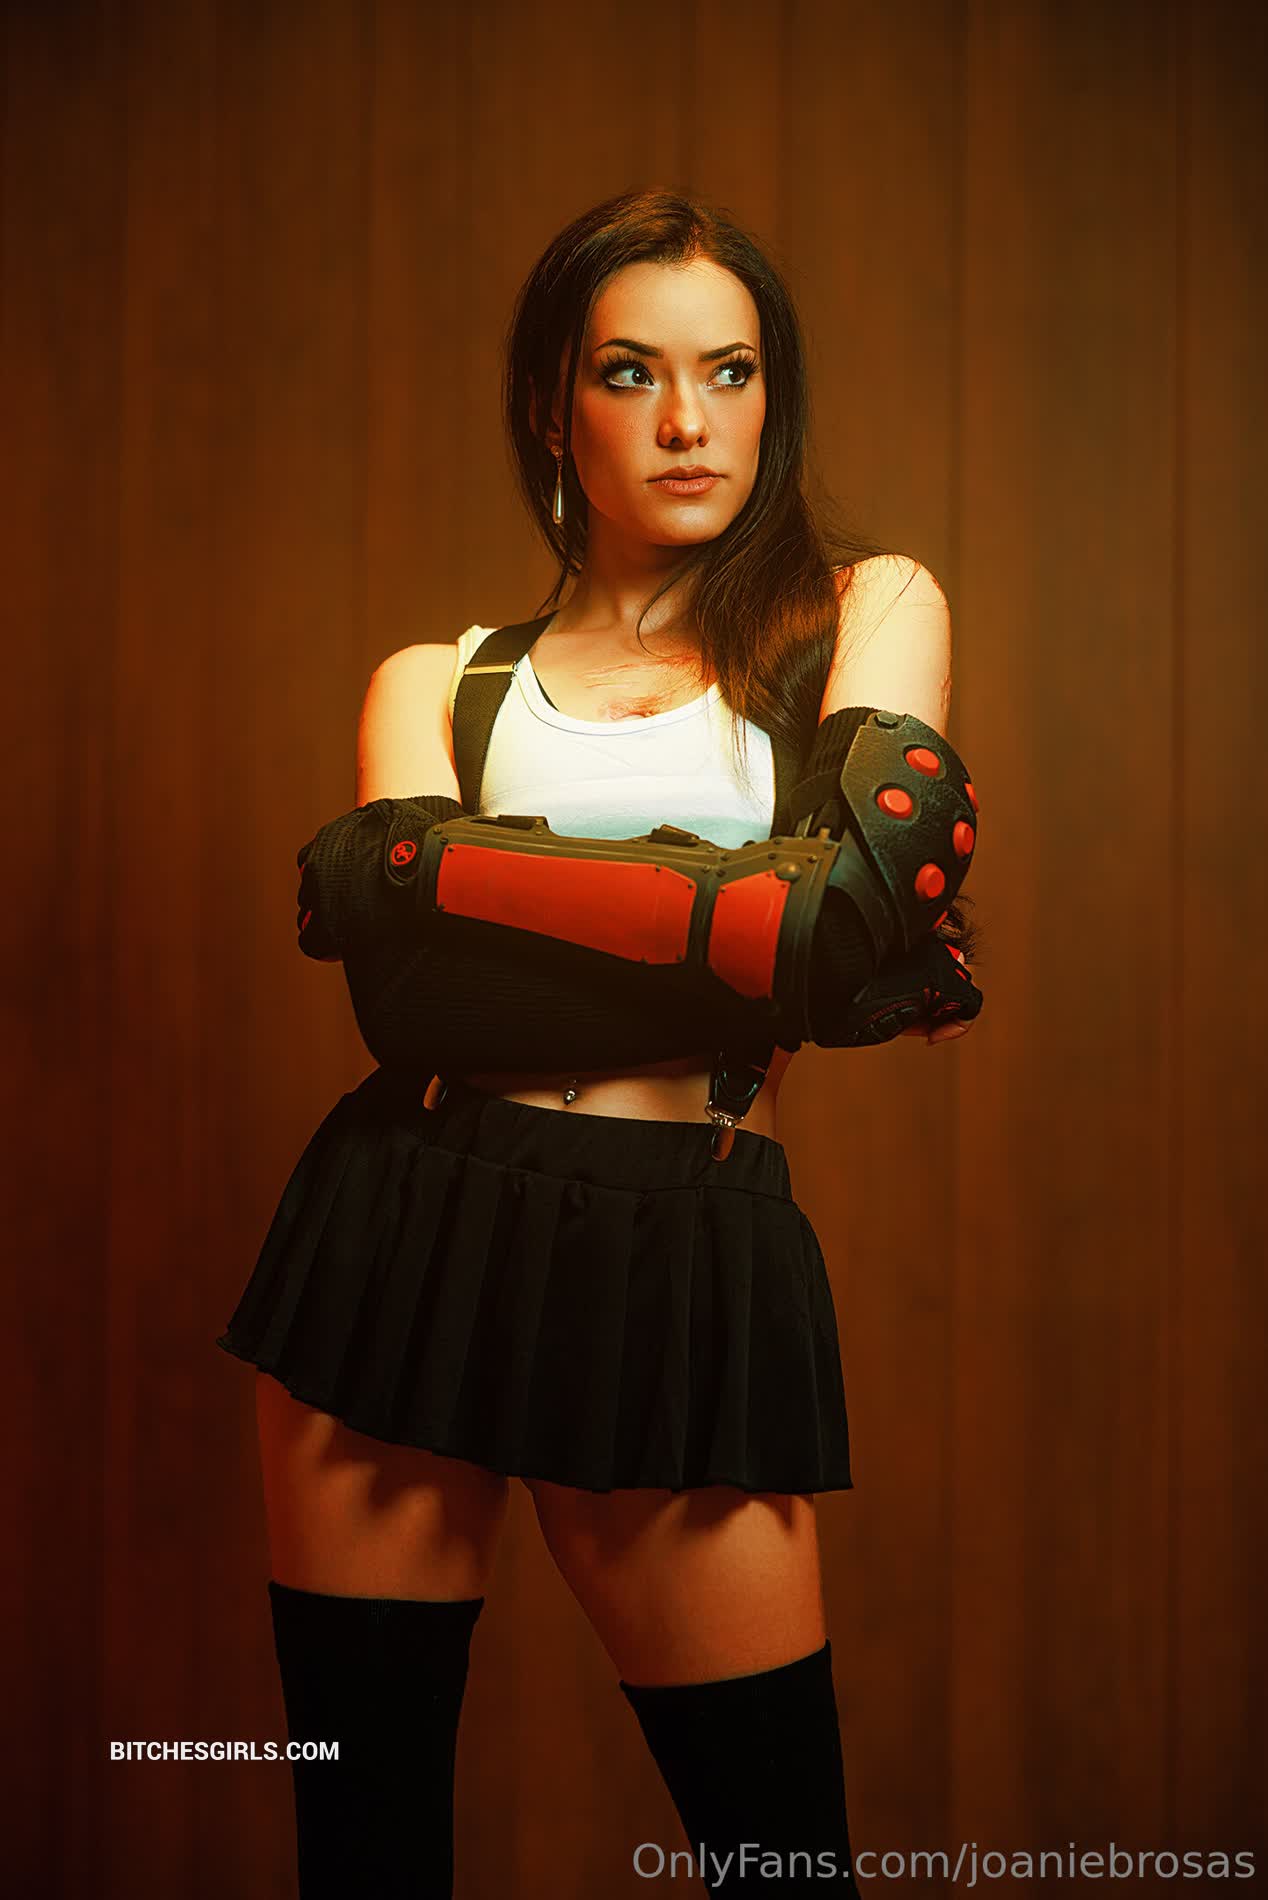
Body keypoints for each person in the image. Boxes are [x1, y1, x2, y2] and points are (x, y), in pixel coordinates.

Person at [217, 188, 982, 1898]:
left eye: (731, 371)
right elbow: (408, 1003)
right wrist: (762, 937)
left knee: (781, 1863)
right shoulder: (440, 678)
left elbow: (854, 927)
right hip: (405, 1228)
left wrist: (439, 878)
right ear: (554, 406)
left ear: (773, 397)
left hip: (683, 1242)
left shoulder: (863, 611)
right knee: (364, 1848)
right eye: (632, 371)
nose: (688, 419)